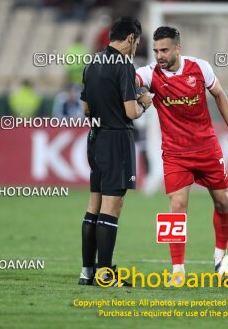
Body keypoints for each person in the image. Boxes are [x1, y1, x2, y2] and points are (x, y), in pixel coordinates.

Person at [136, 26, 228, 283]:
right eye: (156, 50)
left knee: (222, 202)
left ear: (177, 49)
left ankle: (219, 255)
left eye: (164, 50)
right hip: (175, 153)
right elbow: (128, 80)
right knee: (176, 206)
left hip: (206, 148)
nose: (159, 55)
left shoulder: (200, 68)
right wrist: (140, 94)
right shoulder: (150, 73)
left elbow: (220, 95)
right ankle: (178, 270)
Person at [78, 16, 152, 287]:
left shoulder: (92, 62)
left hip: (95, 138)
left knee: (93, 206)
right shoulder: (123, 65)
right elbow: (131, 111)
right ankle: (105, 274)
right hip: (117, 139)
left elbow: (85, 109)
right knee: (112, 207)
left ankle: (87, 273)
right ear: (131, 38)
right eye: (137, 41)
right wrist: (145, 102)